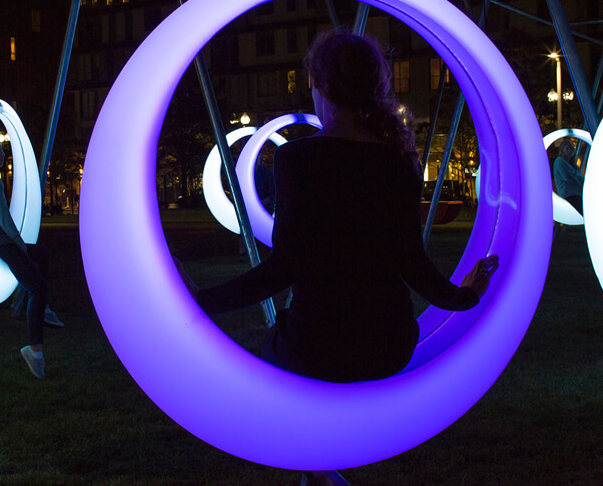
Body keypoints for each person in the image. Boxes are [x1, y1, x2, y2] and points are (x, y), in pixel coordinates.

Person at [177, 31, 499, 486]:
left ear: (316, 82)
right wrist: (464, 297)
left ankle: (319, 470)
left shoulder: (297, 159)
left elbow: (283, 267)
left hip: (319, 345)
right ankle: (319, 472)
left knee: (270, 364)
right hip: (389, 344)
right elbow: (414, 265)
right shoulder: (397, 163)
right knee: (294, 368)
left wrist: (201, 302)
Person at [0, 131, 62, 379]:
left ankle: (38, 308)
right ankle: (34, 351)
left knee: (42, 254)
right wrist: (18, 242)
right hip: (2, 242)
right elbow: (3, 218)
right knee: (37, 287)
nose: (2, 153)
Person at [553, 139, 584, 215]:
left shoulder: (573, 165)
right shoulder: (559, 161)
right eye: (567, 148)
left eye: (571, 148)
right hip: (569, 195)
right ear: (562, 150)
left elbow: (579, 178)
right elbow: (568, 178)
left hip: (577, 194)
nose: (570, 150)